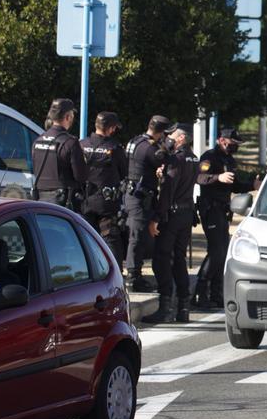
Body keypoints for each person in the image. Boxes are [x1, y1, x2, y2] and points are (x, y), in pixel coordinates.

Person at [193, 128, 256, 310]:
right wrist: (217, 177)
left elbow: (234, 185)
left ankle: (216, 294)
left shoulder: (229, 160)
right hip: (210, 209)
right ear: (222, 140)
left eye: (237, 145)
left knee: (223, 252)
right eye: (233, 144)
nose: (235, 147)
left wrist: (252, 185)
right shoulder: (209, 157)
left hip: (223, 210)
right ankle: (199, 292)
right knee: (216, 252)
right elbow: (199, 177)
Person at [143, 125, 200, 324]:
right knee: (179, 260)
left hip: (173, 214)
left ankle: (165, 308)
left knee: (162, 259)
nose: (170, 139)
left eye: (173, 136)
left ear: (182, 137)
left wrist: (157, 217)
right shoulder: (194, 158)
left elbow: (168, 191)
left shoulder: (176, 159)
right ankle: (183, 308)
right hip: (186, 212)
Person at [123, 115, 173, 292]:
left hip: (131, 193)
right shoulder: (150, 148)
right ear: (163, 133)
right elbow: (168, 162)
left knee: (137, 236)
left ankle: (134, 273)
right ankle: (133, 277)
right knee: (136, 237)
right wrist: (168, 149)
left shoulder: (135, 141)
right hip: (140, 196)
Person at [80, 112, 128, 262]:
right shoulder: (115, 148)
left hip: (84, 201)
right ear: (111, 128)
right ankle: (115, 274)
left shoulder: (81, 144)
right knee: (110, 240)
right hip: (106, 203)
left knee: (85, 239)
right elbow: (124, 173)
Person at [31, 98, 87, 210]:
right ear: (67, 117)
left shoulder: (38, 141)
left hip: (40, 200)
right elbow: (80, 176)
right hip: (63, 204)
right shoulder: (70, 142)